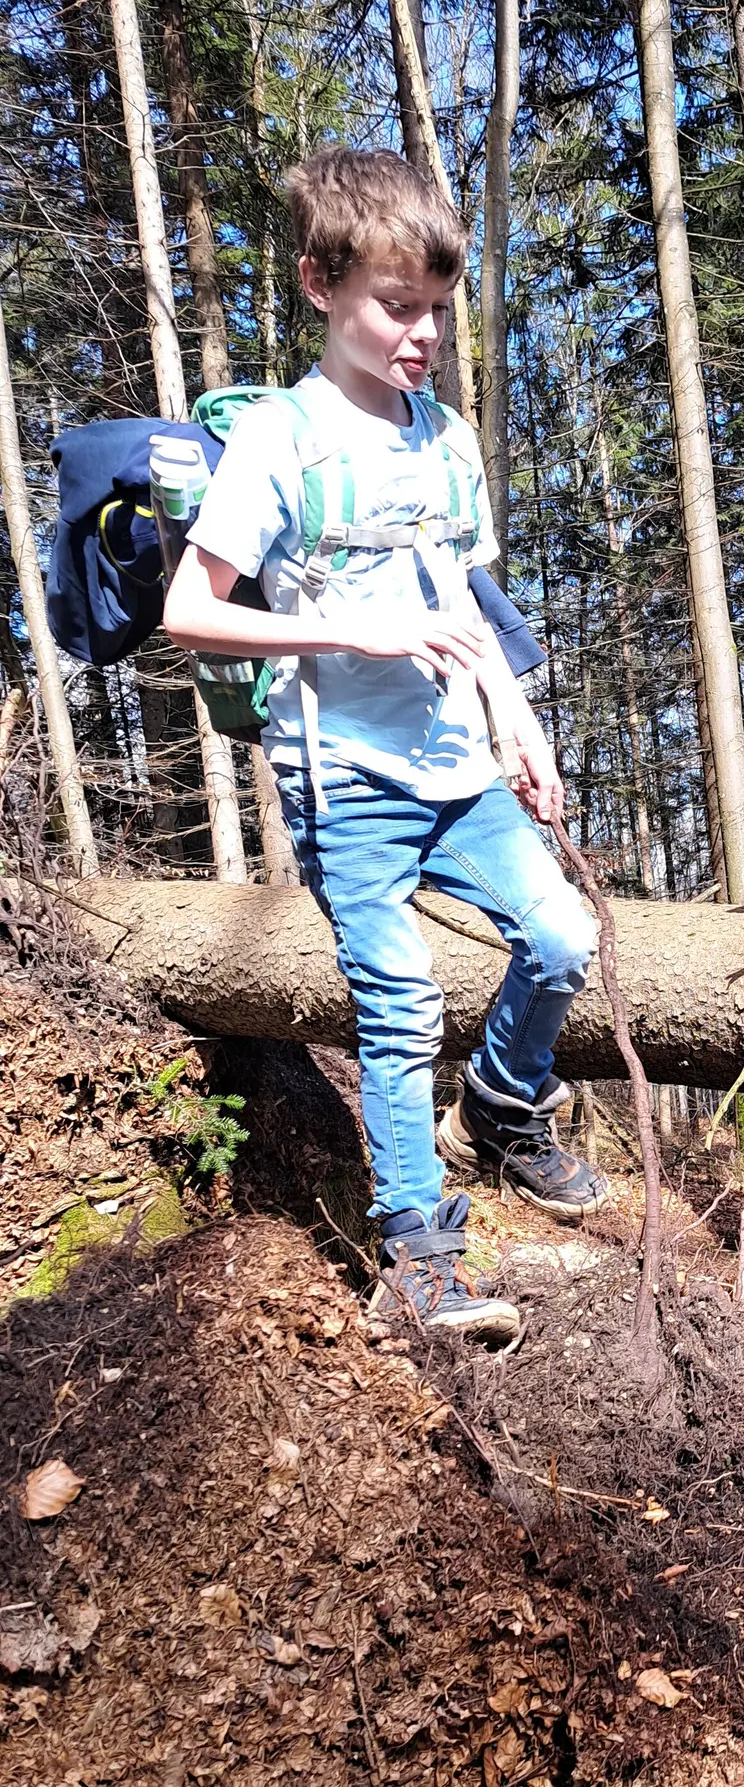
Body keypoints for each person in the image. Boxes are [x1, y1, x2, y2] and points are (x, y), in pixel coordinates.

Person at [163, 146, 608, 1338]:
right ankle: (415, 1256)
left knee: (562, 937)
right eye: (394, 308)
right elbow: (189, 607)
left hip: (458, 765)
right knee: (402, 1000)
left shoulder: (445, 439)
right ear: (319, 284)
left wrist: (522, 727)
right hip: (344, 775)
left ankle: (507, 1105)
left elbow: (462, 603)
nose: (421, 336)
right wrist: (348, 637)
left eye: (435, 312)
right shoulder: (282, 438)